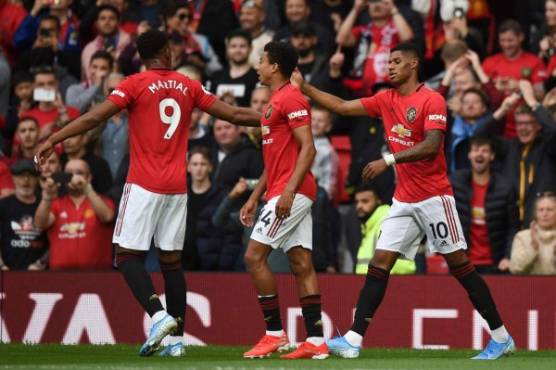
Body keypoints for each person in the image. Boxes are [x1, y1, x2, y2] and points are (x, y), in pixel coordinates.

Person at [35, 29, 260, 357]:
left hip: (143, 184)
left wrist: (56, 138)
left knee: (125, 256)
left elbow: (97, 116)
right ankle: (177, 343)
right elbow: (236, 115)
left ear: (142, 57)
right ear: (168, 53)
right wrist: (273, 117)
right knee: (171, 263)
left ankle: (158, 317)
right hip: (177, 188)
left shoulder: (135, 84)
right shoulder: (188, 84)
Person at [291, 41, 514, 360]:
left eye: (396, 61)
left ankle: (501, 337)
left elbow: (431, 144)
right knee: (380, 263)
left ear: (413, 64)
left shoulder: (432, 99)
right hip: (404, 199)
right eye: (388, 61)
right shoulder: (385, 98)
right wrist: (305, 87)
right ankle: (353, 339)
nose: (389, 66)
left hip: (435, 197)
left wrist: (389, 160)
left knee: (460, 266)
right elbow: (341, 107)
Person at [240, 41, 328, 360]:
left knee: (253, 256)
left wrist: (289, 190)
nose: (257, 66)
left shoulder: (291, 97)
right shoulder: (275, 101)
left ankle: (274, 334)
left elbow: (309, 148)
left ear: (275, 66)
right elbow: (275, 158)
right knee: (301, 264)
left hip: (292, 191)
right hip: (281, 188)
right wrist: (254, 196)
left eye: (261, 61)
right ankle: (316, 340)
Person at [451, 136, 519, 274]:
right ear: (469, 155)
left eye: (484, 151)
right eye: (475, 150)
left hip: (496, 264)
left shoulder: (505, 187)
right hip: (462, 263)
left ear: (492, 156)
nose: (479, 154)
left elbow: (512, 227)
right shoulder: (455, 182)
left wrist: (508, 256)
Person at [34, 158, 115, 270]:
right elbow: (40, 224)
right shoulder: (56, 204)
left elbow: (107, 217)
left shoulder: (102, 201)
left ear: (89, 177)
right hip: (60, 277)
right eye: (69, 174)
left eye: (79, 173)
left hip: (98, 277)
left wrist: (87, 190)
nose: (74, 178)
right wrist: (46, 197)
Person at [353, 183, 415, 275]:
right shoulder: (370, 225)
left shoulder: (387, 221)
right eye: (357, 202)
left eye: (365, 201)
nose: (359, 206)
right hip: (373, 283)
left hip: (387, 284)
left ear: (378, 201)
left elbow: (401, 264)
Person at [0, 160, 48, 271]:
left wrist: (40, 263)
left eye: (31, 176)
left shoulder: (44, 205)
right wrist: (1, 265)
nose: (26, 181)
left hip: (39, 273)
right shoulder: (3, 205)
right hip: (6, 272)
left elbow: (54, 241)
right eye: (21, 176)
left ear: (37, 179)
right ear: (13, 179)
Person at [510, 192, 556, 275]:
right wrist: (533, 248)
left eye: (549, 210)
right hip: (530, 287)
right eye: (541, 210)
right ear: (536, 213)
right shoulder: (522, 237)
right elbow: (515, 268)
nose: (545, 214)